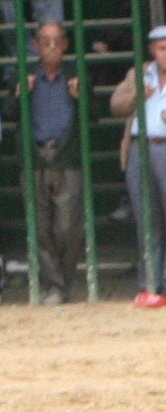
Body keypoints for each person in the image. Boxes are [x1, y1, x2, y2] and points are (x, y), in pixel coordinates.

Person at [112, 24, 166, 306]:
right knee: (146, 220)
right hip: (140, 148)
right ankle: (149, 282)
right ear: (152, 50)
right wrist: (139, 94)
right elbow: (116, 106)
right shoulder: (137, 75)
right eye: (162, 48)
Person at [22, 21, 83, 304]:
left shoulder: (76, 75)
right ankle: (55, 286)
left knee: (68, 228)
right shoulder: (25, 75)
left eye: (57, 41)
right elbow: (11, 115)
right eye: (45, 41)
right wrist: (20, 94)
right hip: (35, 157)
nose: (51, 47)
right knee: (41, 227)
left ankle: (64, 281)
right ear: (36, 45)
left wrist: (80, 97)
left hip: (66, 156)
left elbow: (92, 114)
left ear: (66, 44)